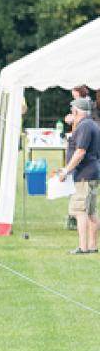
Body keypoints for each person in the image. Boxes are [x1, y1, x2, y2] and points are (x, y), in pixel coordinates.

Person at [58, 97, 100, 254]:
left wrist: (66, 170)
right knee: (91, 212)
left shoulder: (84, 126)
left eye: (72, 110)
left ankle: (83, 247)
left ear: (76, 111)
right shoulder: (90, 124)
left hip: (84, 175)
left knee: (80, 211)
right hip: (92, 173)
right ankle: (92, 246)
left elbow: (80, 151)